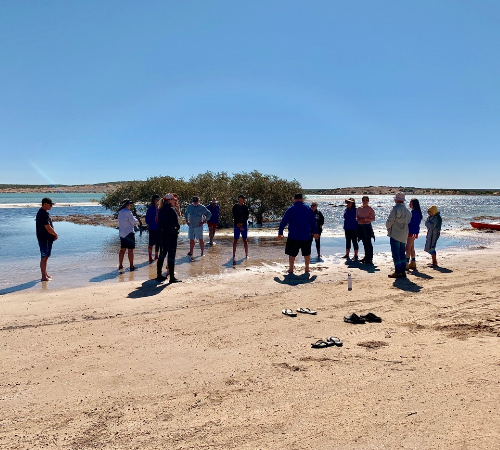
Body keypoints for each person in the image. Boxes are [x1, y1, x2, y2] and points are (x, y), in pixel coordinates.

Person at [278, 193, 319, 274]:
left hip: (294, 235)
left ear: (294, 199)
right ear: (302, 199)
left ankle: (291, 269)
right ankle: (307, 268)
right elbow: (313, 222)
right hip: (306, 235)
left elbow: (283, 221)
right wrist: (315, 232)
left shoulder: (291, 209)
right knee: (307, 253)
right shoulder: (308, 209)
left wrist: (280, 232)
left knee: (292, 254)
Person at [386, 192, 412, 278]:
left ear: (397, 200)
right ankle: (402, 271)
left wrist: (388, 227)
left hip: (395, 233)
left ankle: (398, 271)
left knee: (396, 254)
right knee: (402, 253)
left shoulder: (395, 209)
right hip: (404, 234)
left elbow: (390, 221)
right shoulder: (407, 211)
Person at [157, 194, 181, 282]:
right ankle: (172, 277)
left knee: (162, 255)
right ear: (169, 200)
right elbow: (176, 224)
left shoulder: (161, 209)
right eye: (173, 199)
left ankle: (159, 275)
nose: (175, 201)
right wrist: (177, 229)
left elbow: (159, 223)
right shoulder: (171, 209)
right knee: (171, 255)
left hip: (163, 235)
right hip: (171, 235)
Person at [36, 197, 58, 281]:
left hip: (46, 238)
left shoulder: (44, 213)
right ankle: (43, 277)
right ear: (45, 204)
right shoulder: (42, 214)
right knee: (44, 257)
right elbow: (48, 227)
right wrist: (55, 234)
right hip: (44, 239)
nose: (51, 206)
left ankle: (45, 274)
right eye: (50, 204)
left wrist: (52, 236)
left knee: (46, 257)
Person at [184, 196, 211, 260]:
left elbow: (209, 214)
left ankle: (202, 252)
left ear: (198, 201)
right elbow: (186, 213)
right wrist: (187, 221)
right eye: (194, 201)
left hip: (199, 226)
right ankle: (191, 252)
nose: (195, 203)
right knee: (191, 239)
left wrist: (204, 221)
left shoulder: (202, 207)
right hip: (191, 226)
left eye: (196, 201)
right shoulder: (190, 206)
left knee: (200, 239)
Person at [118, 199, 138, 271]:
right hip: (129, 233)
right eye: (130, 204)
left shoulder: (120, 212)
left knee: (122, 249)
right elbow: (134, 222)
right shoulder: (128, 212)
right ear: (127, 205)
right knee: (130, 250)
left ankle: (120, 265)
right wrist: (136, 220)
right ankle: (131, 266)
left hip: (122, 233)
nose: (131, 205)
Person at [356, 195, 375, 264]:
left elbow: (373, 218)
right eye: (363, 200)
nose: (365, 201)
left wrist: (365, 219)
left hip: (367, 227)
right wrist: (358, 219)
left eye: (366, 200)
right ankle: (366, 257)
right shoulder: (359, 208)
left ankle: (370, 258)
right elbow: (356, 217)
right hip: (360, 226)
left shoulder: (370, 209)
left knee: (368, 243)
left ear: (368, 201)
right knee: (364, 242)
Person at [406, 198, 423, 270]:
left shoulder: (415, 213)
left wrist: (405, 223)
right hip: (413, 231)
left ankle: (406, 263)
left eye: (410, 203)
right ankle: (413, 262)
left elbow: (412, 222)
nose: (409, 204)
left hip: (412, 231)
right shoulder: (416, 212)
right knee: (411, 247)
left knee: (408, 247)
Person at [232, 194, 249, 263]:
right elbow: (234, 216)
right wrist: (238, 224)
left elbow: (246, 216)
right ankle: (233, 255)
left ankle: (246, 254)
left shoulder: (245, 207)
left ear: (243, 200)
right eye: (240, 199)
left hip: (244, 225)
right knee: (235, 240)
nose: (241, 200)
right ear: (238, 199)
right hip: (236, 225)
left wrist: (242, 224)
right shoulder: (235, 207)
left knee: (245, 240)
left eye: (242, 199)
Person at [145, 194, 160, 263]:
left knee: (158, 243)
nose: (157, 201)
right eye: (156, 199)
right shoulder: (151, 208)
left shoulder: (160, 208)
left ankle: (156, 255)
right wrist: (149, 224)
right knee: (151, 244)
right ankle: (150, 256)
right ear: (153, 200)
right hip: (152, 228)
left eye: (158, 199)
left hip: (159, 228)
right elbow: (147, 218)